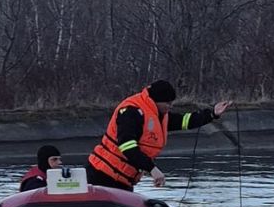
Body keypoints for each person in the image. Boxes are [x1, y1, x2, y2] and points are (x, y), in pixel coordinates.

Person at [86, 80, 232, 190]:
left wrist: (212, 114)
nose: (170, 106)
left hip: (123, 180)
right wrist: (153, 169)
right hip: (102, 175)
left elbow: (184, 121)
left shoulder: (159, 115)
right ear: (156, 100)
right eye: (168, 102)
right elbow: (127, 146)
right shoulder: (131, 111)